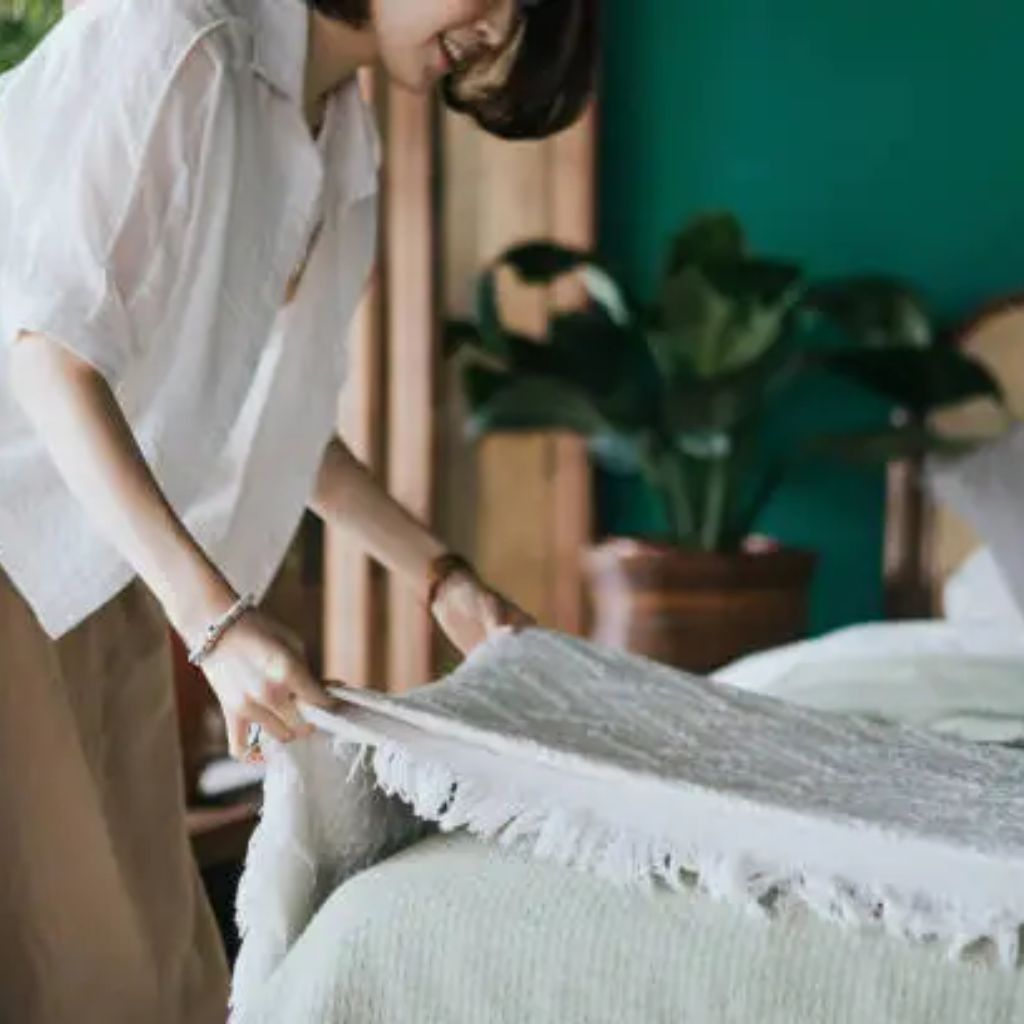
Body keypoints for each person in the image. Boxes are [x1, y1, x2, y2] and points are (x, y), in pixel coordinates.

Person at [0, 0, 595, 1019]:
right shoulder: (175, 37)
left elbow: (278, 424)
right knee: (82, 970)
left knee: (174, 977)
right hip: (21, 533)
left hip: (103, 564)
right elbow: (49, 356)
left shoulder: (341, 139)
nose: (499, 31)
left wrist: (444, 580)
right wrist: (217, 625)